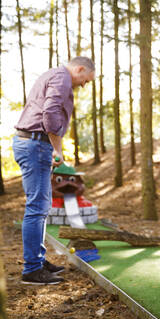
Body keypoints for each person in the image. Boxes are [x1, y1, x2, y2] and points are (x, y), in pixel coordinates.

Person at [13, 56, 95, 285]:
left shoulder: (53, 75)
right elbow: (49, 113)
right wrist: (57, 150)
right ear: (79, 69)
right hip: (36, 144)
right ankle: (31, 269)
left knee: (41, 207)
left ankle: (37, 261)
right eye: (85, 80)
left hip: (34, 144)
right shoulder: (62, 77)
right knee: (37, 207)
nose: (83, 85)